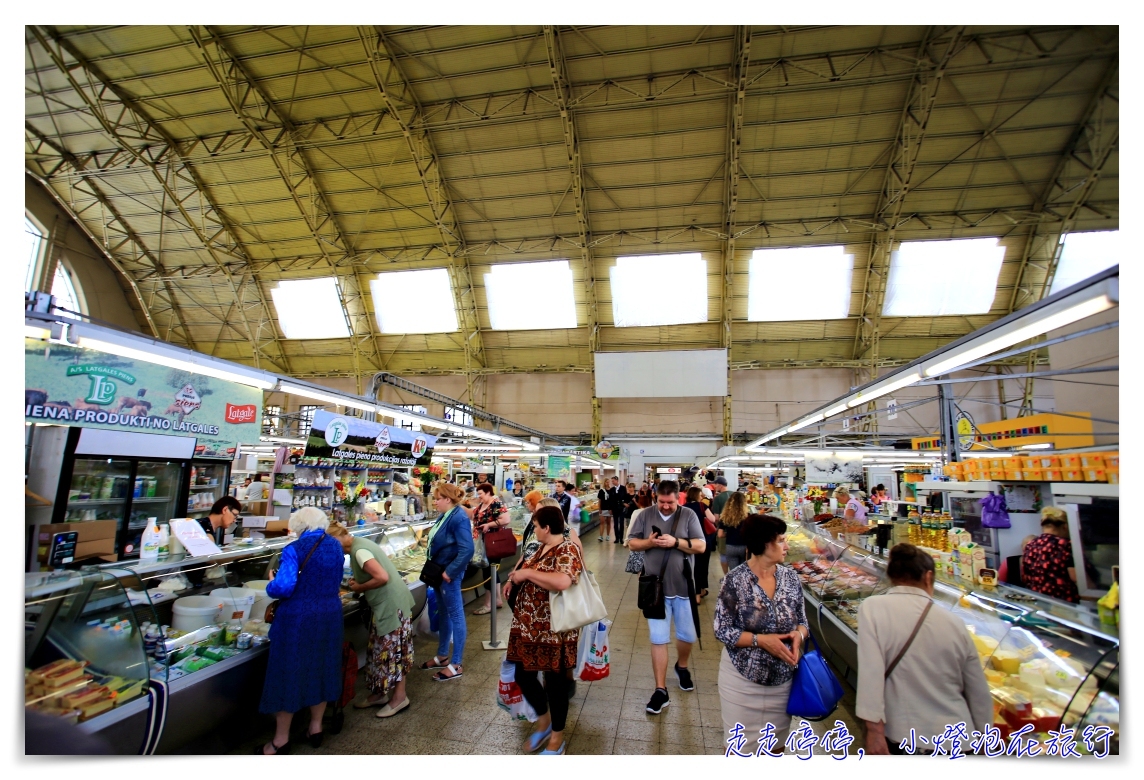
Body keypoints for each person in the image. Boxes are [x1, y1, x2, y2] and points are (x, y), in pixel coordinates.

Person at [857, 543, 993, 755]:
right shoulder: (955, 622)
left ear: (891, 576)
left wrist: (874, 730)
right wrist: (985, 738)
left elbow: (870, 672)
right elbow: (977, 690)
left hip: (904, 735)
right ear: (928, 577)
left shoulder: (872, 608)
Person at [714, 514, 809, 749]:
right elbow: (722, 629)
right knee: (740, 748)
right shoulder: (735, 581)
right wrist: (761, 641)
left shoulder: (790, 578)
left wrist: (799, 635)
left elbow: (803, 621)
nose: (786, 546)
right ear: (764, 543)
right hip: (741, 681)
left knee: (775, 747)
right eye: (780, 541)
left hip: (782, 679)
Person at [258, 507, 344, 754]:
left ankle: (280, 740)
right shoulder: (336, 546)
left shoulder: (293, 549)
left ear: (299, 525)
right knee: (323, 667)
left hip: (298, 618)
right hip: (330, 614)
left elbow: (283, 587)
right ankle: (315, 727)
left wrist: (272, 582)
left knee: (289, 672)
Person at [502, 506, 585, 755]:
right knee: (523, 675)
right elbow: (525, 568)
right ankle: (544, 719)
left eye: (536, 526)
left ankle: (556, 738)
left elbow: (563, 580)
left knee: (556, 684)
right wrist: (513, 577)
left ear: (547, 528)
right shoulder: (540, 547)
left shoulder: (568, 548)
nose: (534, 530)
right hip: (527, 626)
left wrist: (527, 573)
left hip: (554, 629)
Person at [626, 480, 706, 714]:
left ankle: (682, 666)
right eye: (662, 502)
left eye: (670, 502)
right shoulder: (644, 515)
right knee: (658, 638)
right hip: (655, 590)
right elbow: (632, 543)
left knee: (687, 636)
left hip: (684, 588)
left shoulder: (688, 515)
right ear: (655, 497)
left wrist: (676, 542)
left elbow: (700, 546)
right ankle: (660, 690)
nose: (666, 506)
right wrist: (649, 542)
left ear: (678, 498)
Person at [327, 524, 415, 718]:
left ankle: (399, 697)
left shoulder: (359, 551)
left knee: (394, 652)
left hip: (391, 607)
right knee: (379, 650)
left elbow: (381, 577)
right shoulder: (359, 544)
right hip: (388, 605)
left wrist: (360, 587)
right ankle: (379, 693)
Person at [421, 483, 474, 681]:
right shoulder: (446, 515)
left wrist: (450, 571)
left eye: (437, 498)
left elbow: (467, 549)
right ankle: (443, 656)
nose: (434, 502)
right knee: (444, 613)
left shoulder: (458, 517)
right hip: (439, 572)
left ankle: (456, 663)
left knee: (456, 615)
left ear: (448, 500)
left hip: (448, 574)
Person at [1021, 507, 1080, 603]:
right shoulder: (1065, 544)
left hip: (1037, 602)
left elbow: (1025, 577)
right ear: (1065, 526)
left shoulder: (1030, 545)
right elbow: (1076, 577)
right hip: (1063, 604)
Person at [472, 483, 510, 615]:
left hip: (492, 542)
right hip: (483, 543)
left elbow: (506, 519)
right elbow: (473, 514)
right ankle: (498, 600)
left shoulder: (496, 503)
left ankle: (488, 604)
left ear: (488, 492)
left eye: (481, 493)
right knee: (492, 571)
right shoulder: (483, 505)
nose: (479, 496)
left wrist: (489, 524)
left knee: (489, 572)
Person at [683, 486, 718, 603]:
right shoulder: (703, 506)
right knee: (703, 566)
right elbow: (712, 519)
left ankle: (696, 592)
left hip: (688, 542)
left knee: (693, 567)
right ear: (697, 495)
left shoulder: (683, 508)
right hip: (703, 540)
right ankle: (700, 592)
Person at [718, 491, 750, 573]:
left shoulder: (725, 516)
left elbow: (720, 534)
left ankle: (735, 585)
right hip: (744, 547)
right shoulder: (748, 516)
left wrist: (729, 534)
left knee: (734, 573)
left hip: (730, 547)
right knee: (744, 572)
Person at [606, 476, 629, 544]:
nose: (612, 482)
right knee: (615, 524)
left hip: (621, 508)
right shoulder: (612, 489)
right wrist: (610, 508)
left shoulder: (623, 488)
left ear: (617, 480)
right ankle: (617, 538)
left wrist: (625, 503)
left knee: (621, 523)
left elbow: (625, 497)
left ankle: (621, 538)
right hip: (614, 508)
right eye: (612, 481)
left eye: (613, 481)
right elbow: (610, 500)